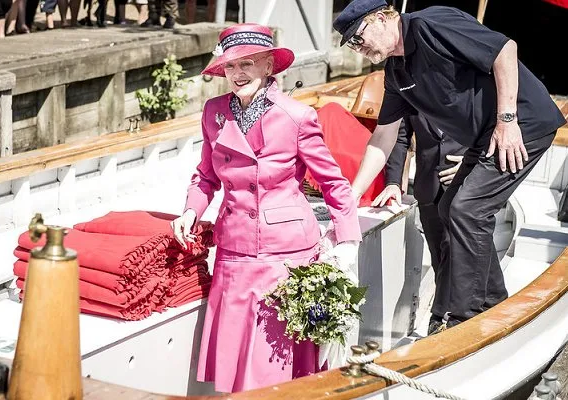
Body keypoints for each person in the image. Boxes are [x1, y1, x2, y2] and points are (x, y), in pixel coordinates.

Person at [333, 0, 566, 332]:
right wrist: (350, 196)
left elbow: (504, 49)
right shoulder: (396, 74)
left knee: (468, 209)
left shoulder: (431, 25)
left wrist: (507, 119)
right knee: (447, 208)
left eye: (359, 36)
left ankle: (463, 318)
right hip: (485, 137)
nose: (358, 48)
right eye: (352, 44)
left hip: (522, 125)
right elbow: (383, 137)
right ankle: (494, 302)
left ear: (384, 18)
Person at [170, 23, 362, 393]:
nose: (237, 74)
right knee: (238, 360)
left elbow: (334, 184)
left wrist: (348, 242)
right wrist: (191, 211)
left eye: (247, 64)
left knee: (274, 363)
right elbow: (205, 176)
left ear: (268, 67)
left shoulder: (297, 116)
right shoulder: (213, 112)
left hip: (285, 253)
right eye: (230, 67)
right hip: (233, 250)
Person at [372, 115, 468, 334]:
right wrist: (394, 182)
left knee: (453, 250)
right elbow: (401, 137)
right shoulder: (413, 90)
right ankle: (446, 312)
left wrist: (471, 161)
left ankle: (441, 316)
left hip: (466, 184)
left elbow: (491, 129)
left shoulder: (470, 85)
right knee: (439, 255)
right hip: (429, 188)